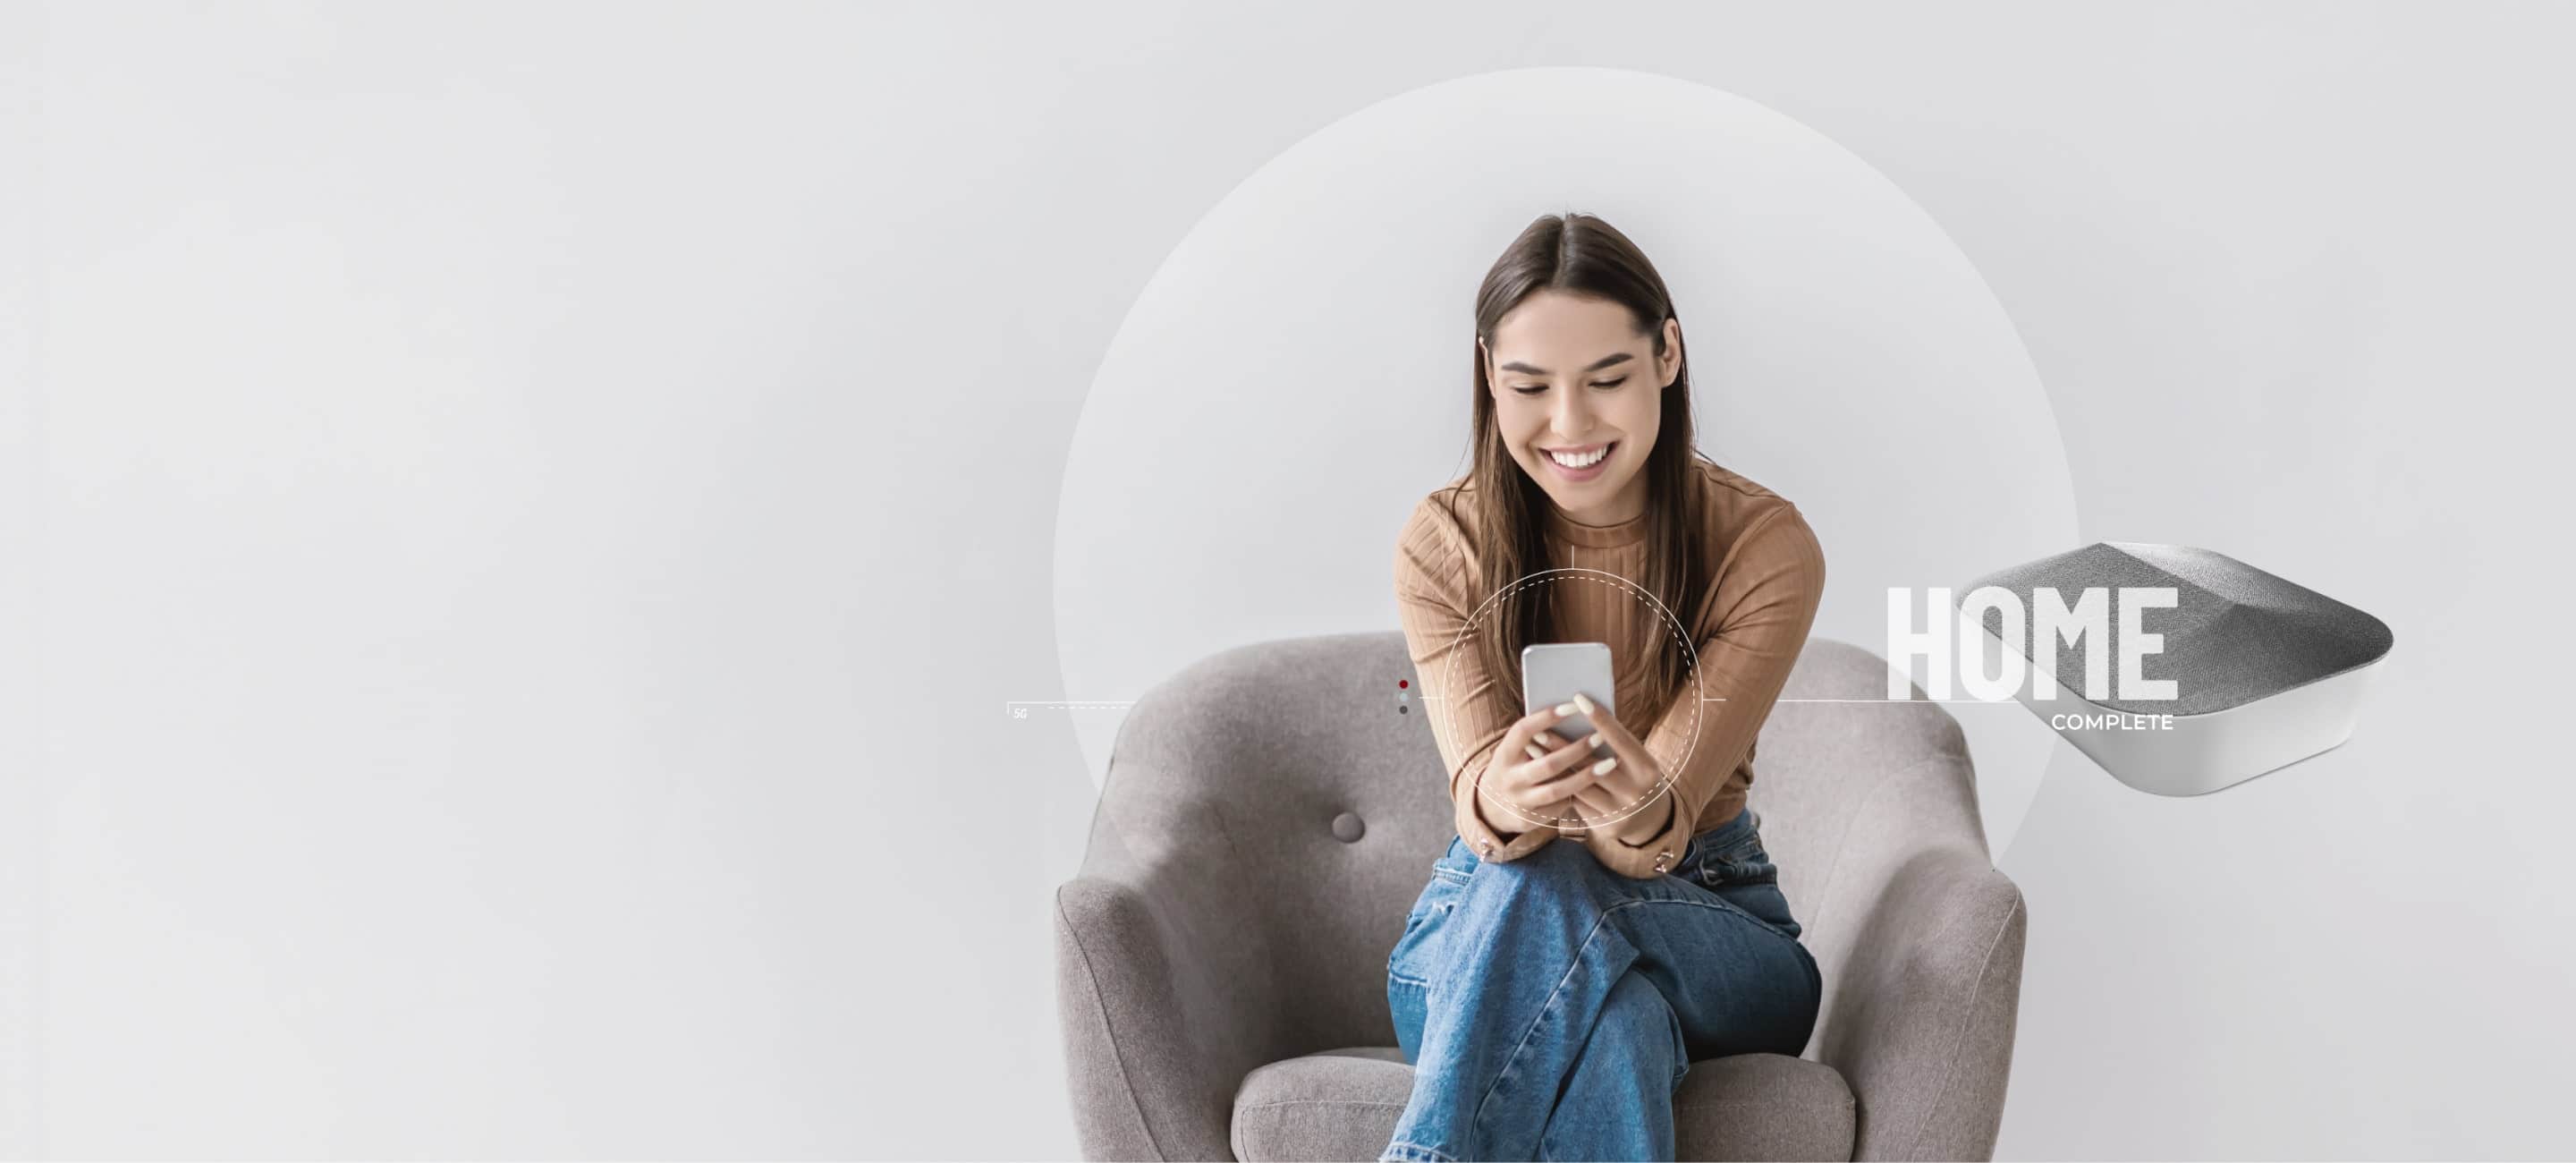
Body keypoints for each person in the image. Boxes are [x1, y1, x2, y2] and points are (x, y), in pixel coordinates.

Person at [1384, 211, 1827, 1162]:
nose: (1570, 425)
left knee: (1569, 877)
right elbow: (1482, 804)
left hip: (1712, 922)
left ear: (1668, 352)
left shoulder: (1761, 546)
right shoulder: (1444, 542)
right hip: (1476, 937)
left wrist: (1638, 809)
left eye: (1608, 379)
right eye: (1530, 387)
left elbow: (1648, 838)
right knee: (1610, 1017)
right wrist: (1500, 797)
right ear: (1486, 376)